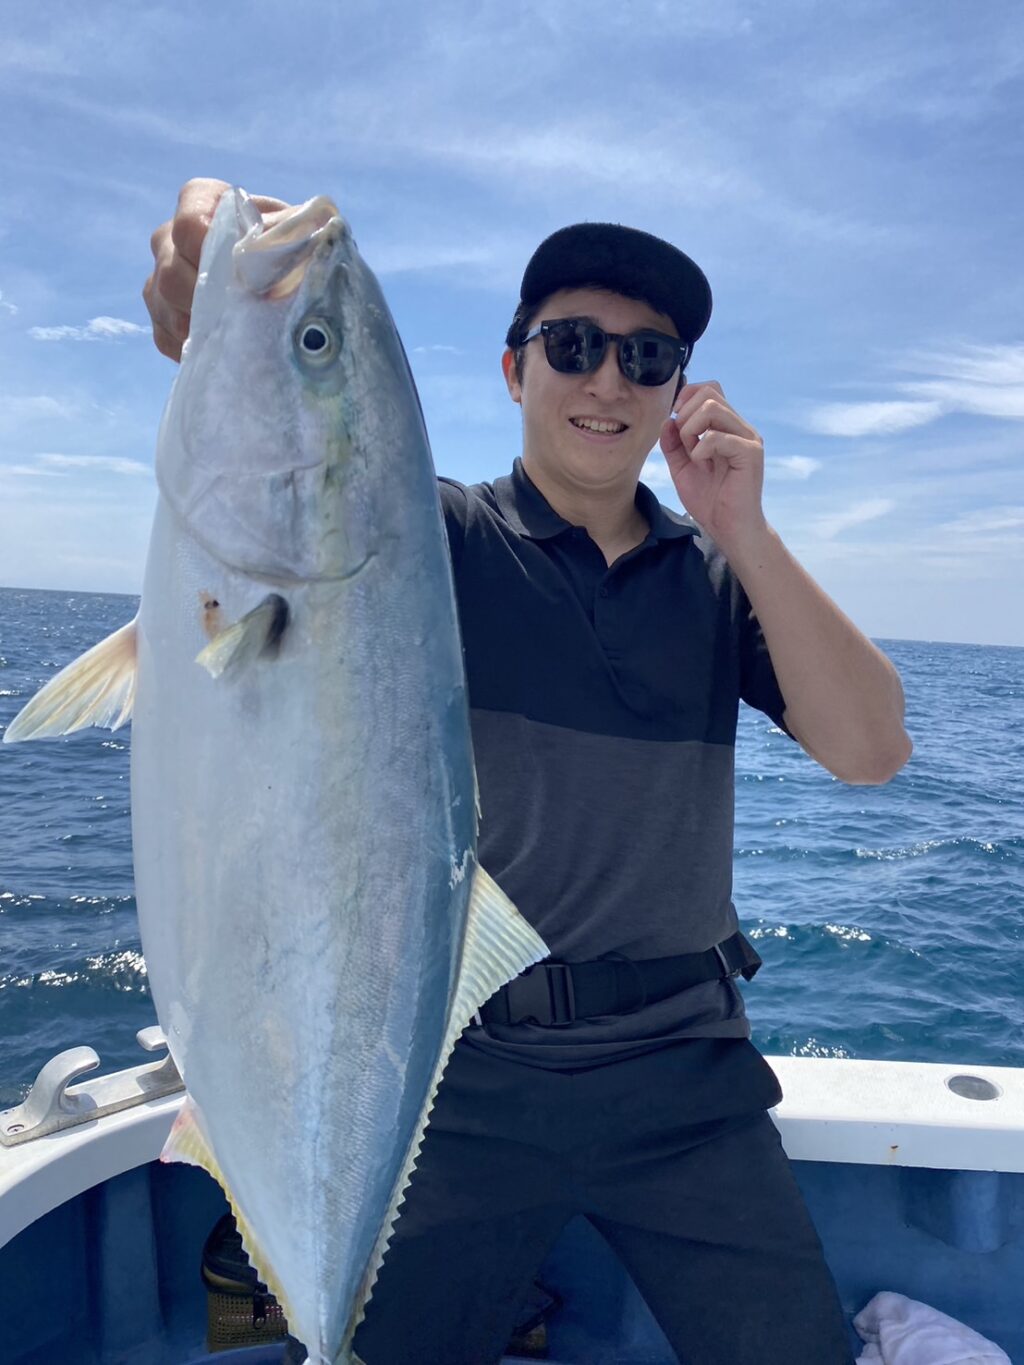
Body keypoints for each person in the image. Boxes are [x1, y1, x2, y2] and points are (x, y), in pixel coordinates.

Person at [144, 181, 912, 1365]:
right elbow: (291, 470)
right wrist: (211, 306)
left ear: (675, 391)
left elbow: (872, 752)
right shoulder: (427, 543)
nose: (608, 379)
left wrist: (745, 531)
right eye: (573, 345)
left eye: (646, 357)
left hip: (684, 1074)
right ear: (515, 370)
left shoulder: (717, 583)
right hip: (460, 1077)